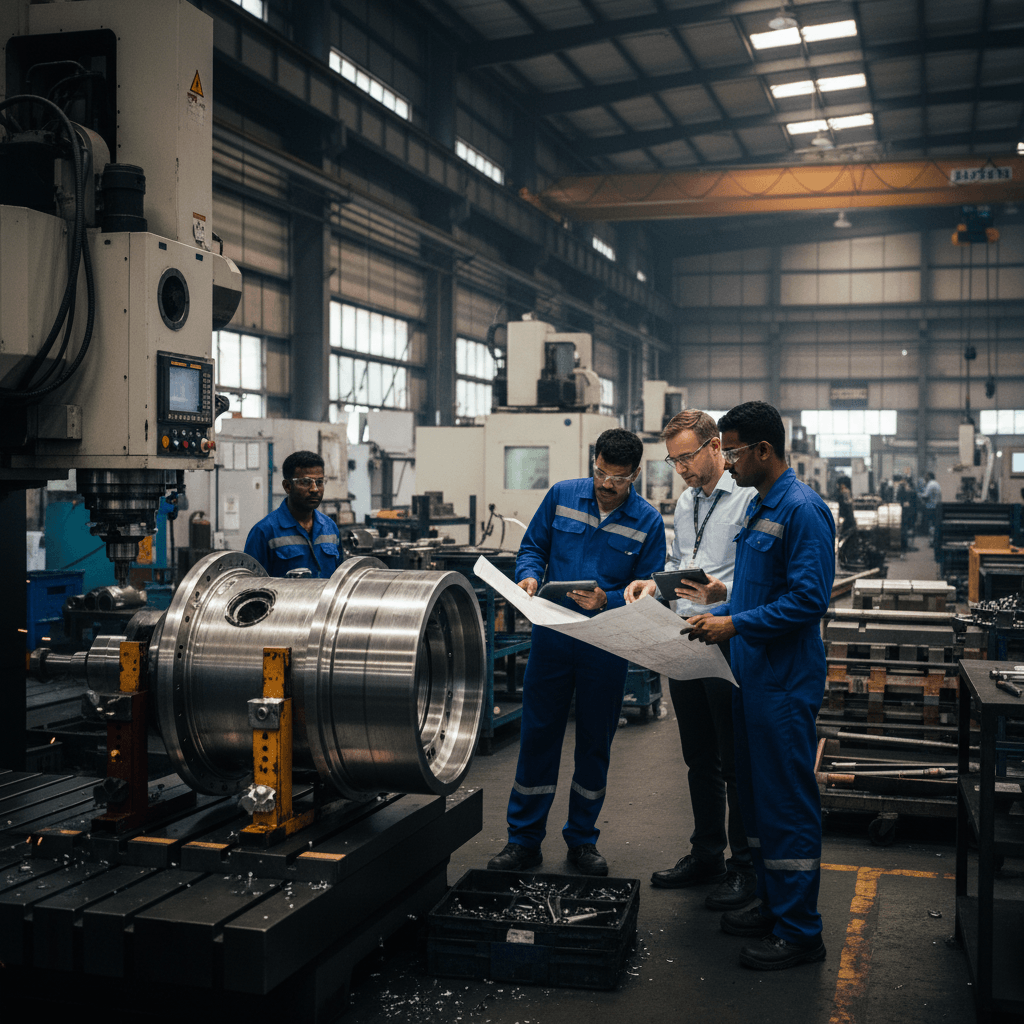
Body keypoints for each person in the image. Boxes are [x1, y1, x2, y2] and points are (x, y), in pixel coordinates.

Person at [685, 401, 835, 971]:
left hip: (784, 685)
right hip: (750, 678)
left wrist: (734, 623)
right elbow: (765, 588)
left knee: (786, 804)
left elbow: (806, 600)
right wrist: (723, 598)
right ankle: (773, 905)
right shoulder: (761, 508)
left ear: (764, 451)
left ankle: (800, 931)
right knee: (756, 800)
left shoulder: (802, 511)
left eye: (735, 451)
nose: (727, 464)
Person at [487, 428, 666, 877]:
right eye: (602, 473)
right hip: (552, 638)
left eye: (618, 479)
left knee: (594, 743)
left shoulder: (648, 521)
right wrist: (528, 576)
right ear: (594, 462)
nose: (607, 484)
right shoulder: (562, 495)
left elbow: (650, 589)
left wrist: (607, 596)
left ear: (636, 475)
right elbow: (533, 548)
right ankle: (523, 840)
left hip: (606, 644)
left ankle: (582, 841)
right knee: (538, 736)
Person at [624, 410, 758, 911]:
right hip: (684, 638)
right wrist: (652, 584)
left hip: (725, 637)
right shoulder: (685, 503)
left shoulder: (748, 499)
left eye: (687, 457)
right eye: (673, 459)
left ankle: (744, 866)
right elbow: (683, 565)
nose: (680, 468)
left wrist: (723, 601)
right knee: (698, 756)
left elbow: (756, 579)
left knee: (733, 760)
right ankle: (707, 854)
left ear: (716, 446)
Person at [244, 450, 343, 578]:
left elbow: (340, 580)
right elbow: (249, 585)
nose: (315, 489)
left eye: (319, 482)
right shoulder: (264, 531)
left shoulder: (330, 528)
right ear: (287, 486)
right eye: (306, 482)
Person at [896, 473, 918, 553]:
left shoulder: (905, 489)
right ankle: (905, 545)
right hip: (909, 512)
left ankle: (905, 545)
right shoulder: (909, 489)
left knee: (905, 529)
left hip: (907, 512)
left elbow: (899, 499)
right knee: (906, 529)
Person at [922, 470, 943, 545]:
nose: (925, 478)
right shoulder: (937, 483)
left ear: (929, 476)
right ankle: (934, 540)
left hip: (931, 507)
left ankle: (932, 541)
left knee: (931, 524)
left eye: (926, 476)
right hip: (937, 506)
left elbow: (926, 496)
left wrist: (920, 495)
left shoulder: (930, 484)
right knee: (934, 524)